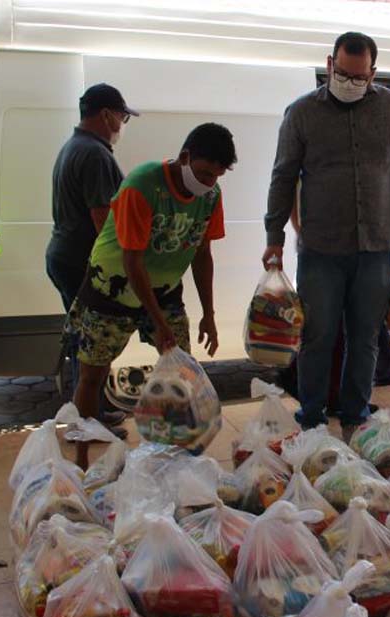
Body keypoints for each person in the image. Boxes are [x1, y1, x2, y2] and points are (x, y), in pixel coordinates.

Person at [264, 32, 390, 431]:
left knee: (366, 337)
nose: (350, 82)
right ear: (330, 64)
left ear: (373, 73)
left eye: (359, 77)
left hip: (376, 247)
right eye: (342, 73)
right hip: (321, 249)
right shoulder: (301, 113)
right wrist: (274, 238)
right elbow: (283, 176)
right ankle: (312, 416)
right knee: (318, 337)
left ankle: (355, 412)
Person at [67, 123, 236, 423]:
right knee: (93, 374)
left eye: (217, 177)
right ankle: (81, 454)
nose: (209, 183)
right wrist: (158, 323)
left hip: (164, 288)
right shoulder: (142, 185)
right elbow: (133, 261)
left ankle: (178, 452)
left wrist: (209, 314)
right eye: (204, 174)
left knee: (182, 371)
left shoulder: (210, 196)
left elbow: (202, 253)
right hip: (111, 286)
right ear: (185, 157)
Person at [46, 83, 137, 426]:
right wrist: (125, 264)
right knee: (90, 343)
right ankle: (87, 422)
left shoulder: (77, 146)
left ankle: (95, 409)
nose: (122, 124)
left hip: (66, 256)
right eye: (123, 116)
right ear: (106, 115)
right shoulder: (95, 154)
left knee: (89, 340)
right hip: (80, 262)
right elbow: (104, 220)